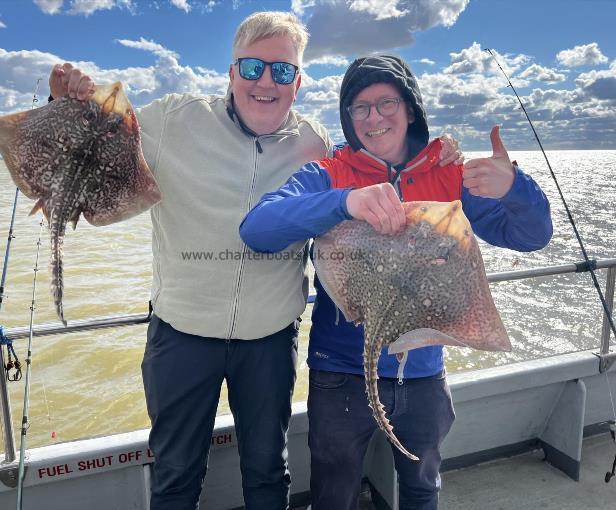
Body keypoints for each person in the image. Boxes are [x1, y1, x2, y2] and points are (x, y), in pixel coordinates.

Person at [48, 12, 334, 510]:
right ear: (230, 72)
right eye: (252, 67)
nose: (266, 82)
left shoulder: (315, 145)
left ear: (299, 82)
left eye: (282, 71)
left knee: (269, 470)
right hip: (181, 336)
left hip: (270, 339)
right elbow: (91, 160)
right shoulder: (172, 119)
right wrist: (63, 102)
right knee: (176, 474)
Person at [240, 55, 553, 510]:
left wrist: (513, 187)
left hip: (423, 373)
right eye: (360, 108)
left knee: (423, 488)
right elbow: (257, 229)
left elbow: (532, 236)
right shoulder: (329, 174)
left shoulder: (450, 173)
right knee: (334, 494)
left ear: (410, 109)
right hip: (340, 375)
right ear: (348, 119)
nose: (374, 117)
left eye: (387, 102)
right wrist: (346, 202)